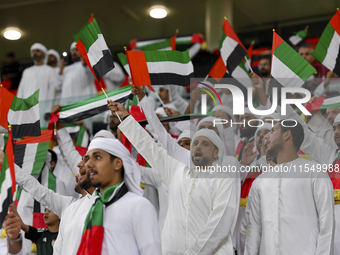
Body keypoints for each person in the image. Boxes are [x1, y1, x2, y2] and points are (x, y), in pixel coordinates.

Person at [109, 101, 239, 255]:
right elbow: (149, 147)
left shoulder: (223, 180)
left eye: (205, 144)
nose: (197, 146)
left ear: (216, 153)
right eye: (195, 143)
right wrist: (125, 117)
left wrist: (194, 252)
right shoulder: (177, 171)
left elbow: (220, 225)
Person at [244, 120, 334, 254]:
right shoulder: (261, 181)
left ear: (287, 135)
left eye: (273, 131)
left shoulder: (315, 172)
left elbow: (327, 224)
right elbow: (254, 231)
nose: (266, 137)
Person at [60, 137, 162, 255]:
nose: (88, 164)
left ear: (117, 163)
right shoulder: (88, 215)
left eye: (97, 157)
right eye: (88, 159)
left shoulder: (139, 207)